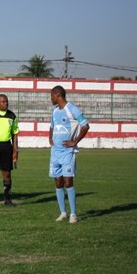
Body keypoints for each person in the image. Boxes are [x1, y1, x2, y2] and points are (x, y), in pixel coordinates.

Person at [49, 85, 89, 223]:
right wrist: (50, 138)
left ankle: (73, 214)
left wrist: (75, 141)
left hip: (68, 152)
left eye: (51, 96)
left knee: (68, 182)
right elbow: (52, 126)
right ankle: (63, 213)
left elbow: (85, 125)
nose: (51, 99)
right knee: (58, 182)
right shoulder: (54, 112)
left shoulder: (72, 109)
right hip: (55, 153)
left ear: (58, 95)